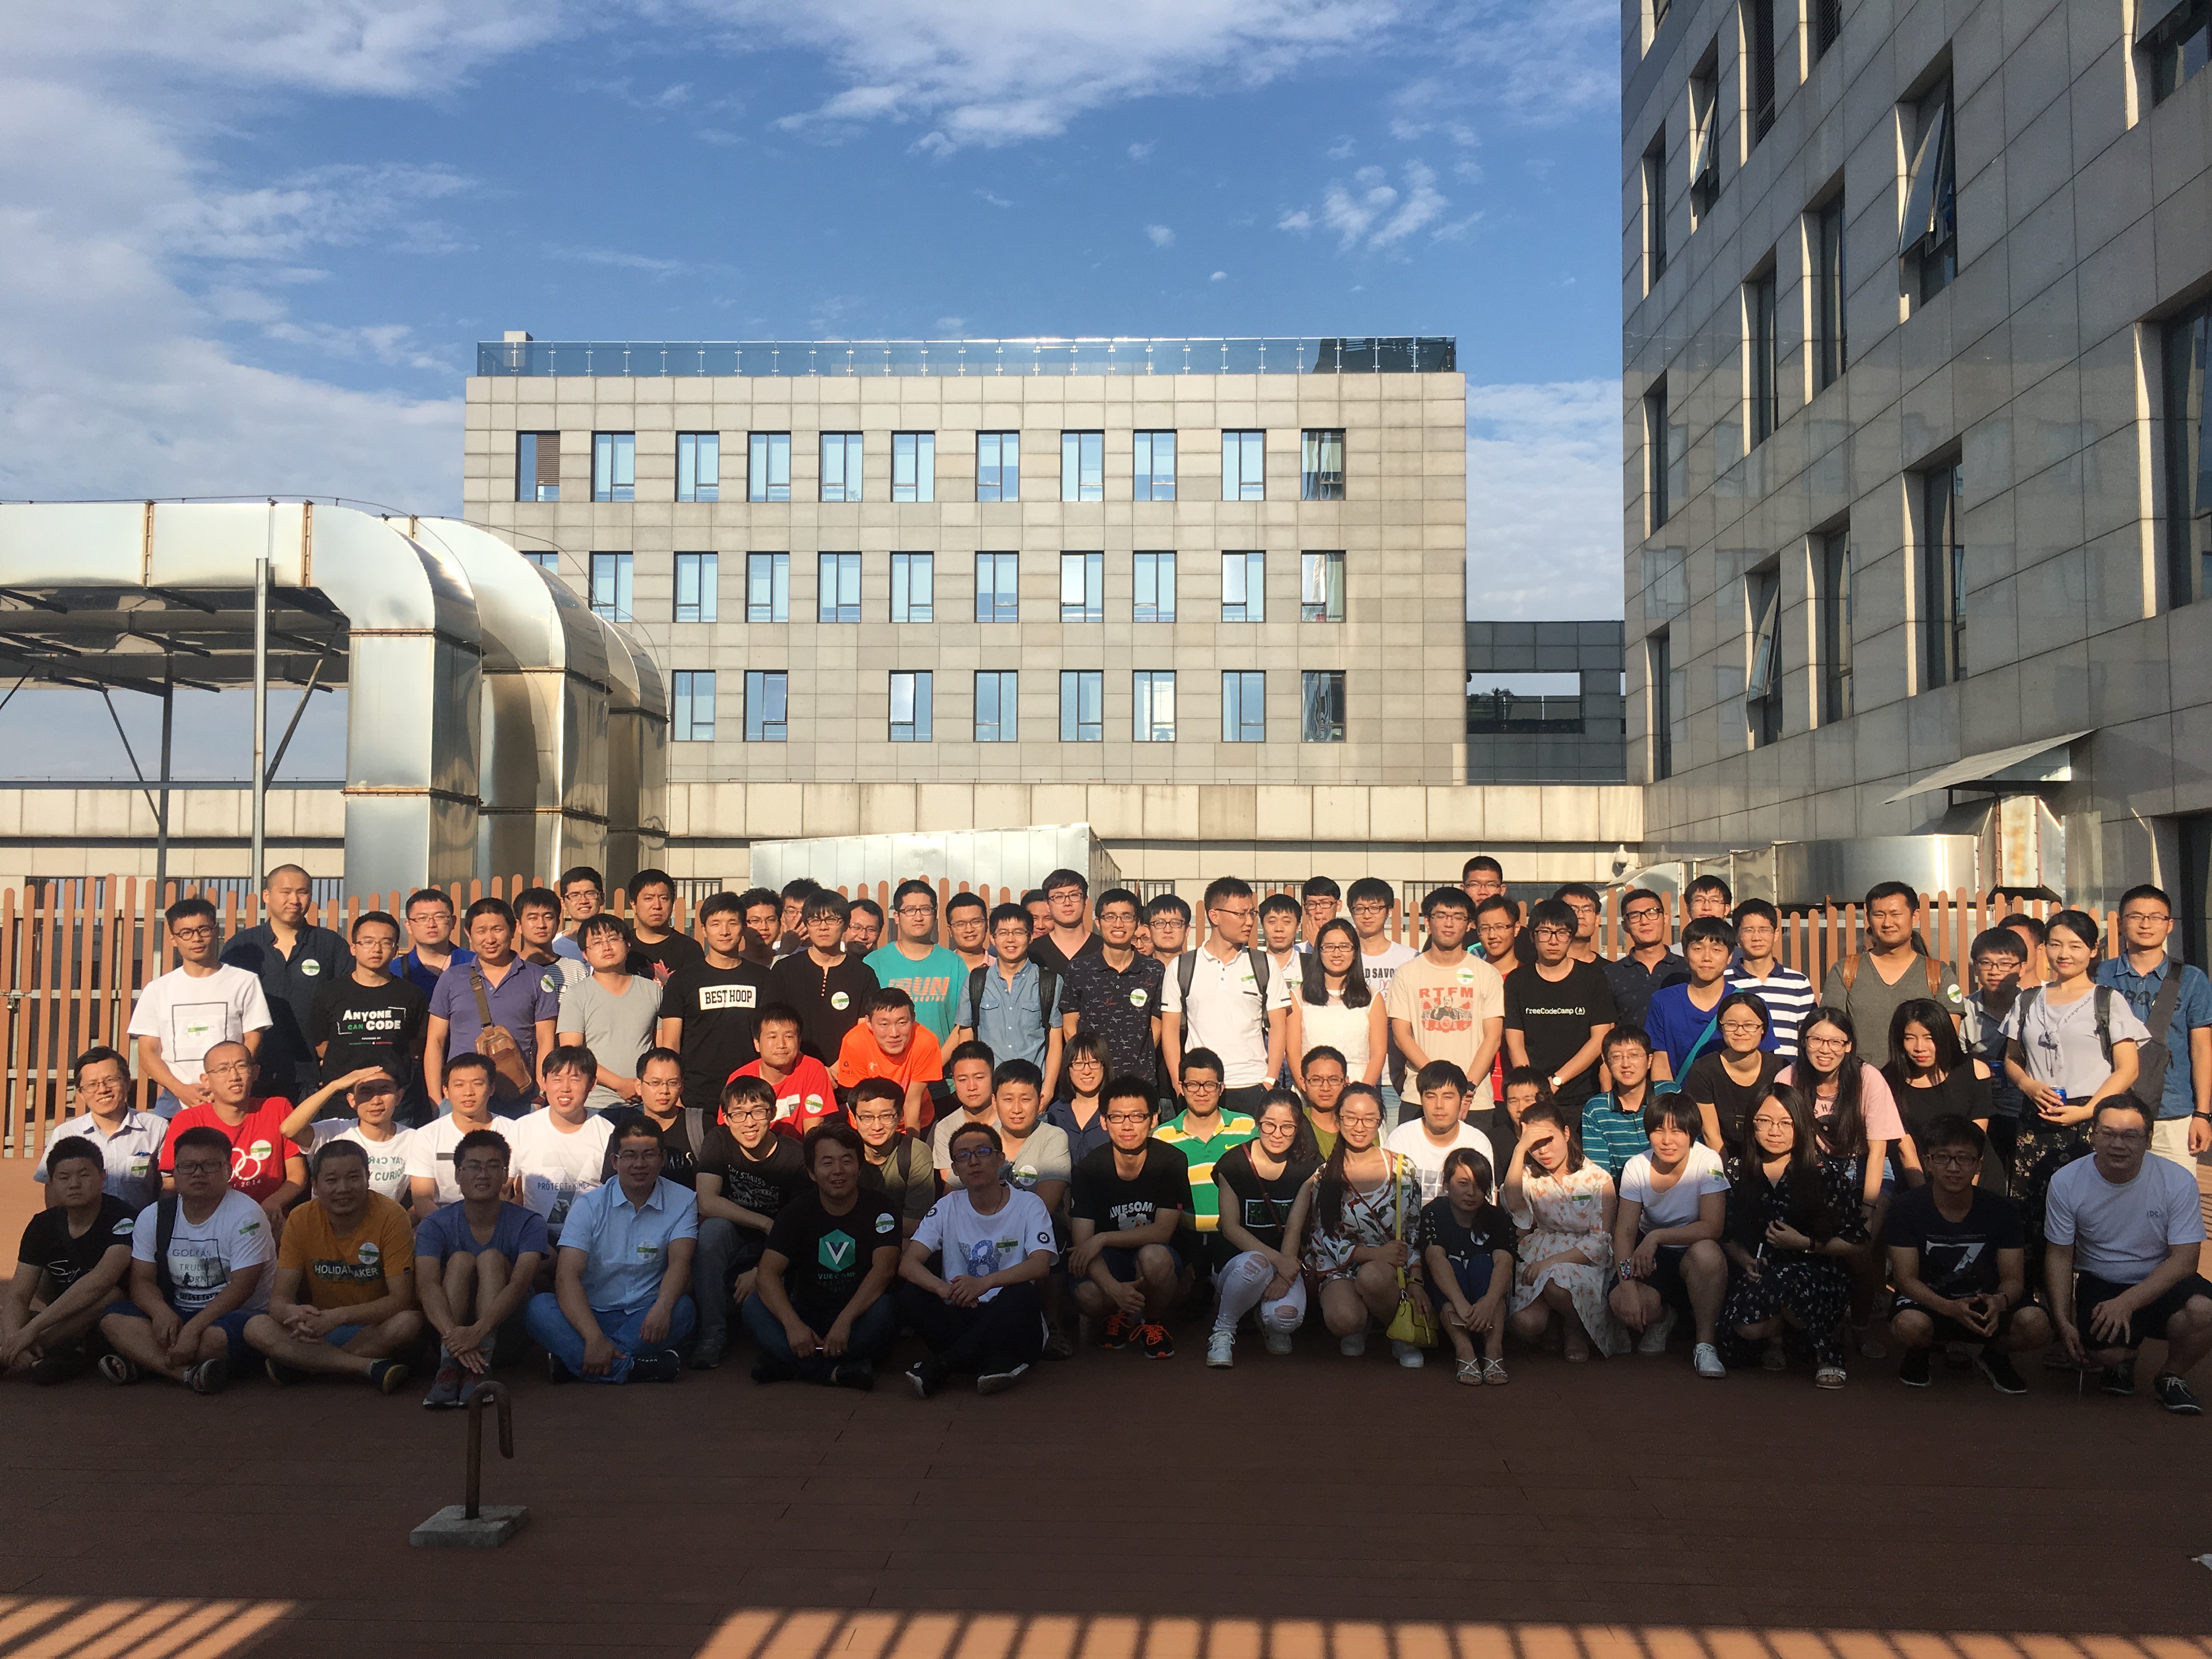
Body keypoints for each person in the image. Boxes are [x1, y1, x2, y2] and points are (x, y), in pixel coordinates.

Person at [2003, 909, 2148, 1280]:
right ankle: (2038, 1297)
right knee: (2034, 1207)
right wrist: (2029, 1086)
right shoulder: (2027, 1000)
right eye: (2055, 944)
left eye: (2075, 945)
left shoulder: (2108, 1000)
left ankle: (2095, 1290)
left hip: (2091, 1121)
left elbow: (2128, 1068)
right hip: (2037, 1118)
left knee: (2093, 1209)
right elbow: (2012, 1060)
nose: (2064, 954)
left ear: (2093, 950)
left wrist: (2089, 1112)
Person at [2044, 1097, 2212, 1412]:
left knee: (2205, 1310)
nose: (2118, 1144)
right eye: (2108, 1134)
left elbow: (2186, 1260)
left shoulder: (2177, 1180)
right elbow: (2059, 1255)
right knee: (2104, 1355)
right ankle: (2124, 1359)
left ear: (2149, 1139)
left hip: (2160, 1280)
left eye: (2130, 1135)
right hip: (2102, 1279)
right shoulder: (2066, 1182)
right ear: (2092, 1136)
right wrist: (2063, 1321)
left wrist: (2127, 1303)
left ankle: (2171, 1375)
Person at [98, 1124, 272, 1393]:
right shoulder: (153, 1216)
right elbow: (141, 1281)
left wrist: (193, 1330)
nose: (198, 1174)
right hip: (178, 1312)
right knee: (113, 1319)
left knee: (214, 1339)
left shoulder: (247, 1215)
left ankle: (145, 1362)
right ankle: (186, 1374)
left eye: (210, 1165)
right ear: (175, 1173)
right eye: (187, 1166)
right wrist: (160, 1313)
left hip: (233, 1315)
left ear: (229, 1170)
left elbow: (242, 1287)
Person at [527, 1114, 697, 1384]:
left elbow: (680, 1263)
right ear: (615, 1161)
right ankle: (632, 1367)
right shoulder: (588, 1206)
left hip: (645, 1315)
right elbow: (567, 1277)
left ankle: (578, 1363)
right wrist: (594, 1337)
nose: (639, 1164)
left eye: (649, 1155)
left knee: (683, 1309)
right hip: (589, 1315)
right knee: (539, 1308)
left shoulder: (684, 1201)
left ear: (662, 1159)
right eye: (630, 1155)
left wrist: (662, 1307)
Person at [1885, 1114, 2050, 1392]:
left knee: (2036, 1325)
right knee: (1909, 1325)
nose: (1953, 1168)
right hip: (1931, 1303)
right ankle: (1920, 1351)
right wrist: (1949, 1307)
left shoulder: (2003, 1210)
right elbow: (1906, 1279)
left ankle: (1995, 1354)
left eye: (1964, 1158)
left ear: (1978, 1165)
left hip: (1986, 1306)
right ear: (1927, 1162)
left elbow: (2014, 1279)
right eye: (1942, 1158)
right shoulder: (1905, 1208)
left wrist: (1999, 1301)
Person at [1719, 1085, 1865, 1385]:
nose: (1775, 1131)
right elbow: (1728, 1234)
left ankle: (1829, 1353)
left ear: (1802, 1125)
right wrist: (1745, 1261)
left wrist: (1805, 1244)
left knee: (1790, 1281)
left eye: (1786, 1123)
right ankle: (1779, 1336)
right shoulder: (1736, 1171)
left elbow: (1857, 1242)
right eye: (1764, 1121)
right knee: (1739, 1339)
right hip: (1760, 1272)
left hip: (1817, 1273)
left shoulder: (1824, 1173)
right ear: (1751, 1124)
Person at [242, 1140, 419, 1391]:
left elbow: (401, 1300)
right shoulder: (301, 1218)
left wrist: (338, 1316)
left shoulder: (392, 1216)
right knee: (256, 1327)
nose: (343, 1189)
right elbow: (279, 1301)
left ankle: (304, 1365)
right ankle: (363, 1366)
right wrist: (294, 1313)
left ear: (368, 1178)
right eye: (332, 1180)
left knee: (408, 1323)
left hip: (372, 1326)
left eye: (353, 1178)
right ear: (315, 1185)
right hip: (316, 1328)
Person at [899, 1122, 1056, 1397]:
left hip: (1008, 1315)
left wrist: (984, 1284)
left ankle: (945, 1363)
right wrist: (944, 1290)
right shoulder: (947, 1206)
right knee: (911, 1294)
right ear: (955, 1168)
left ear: (1000, 1159)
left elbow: (1040, 1264)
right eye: (963, 1156)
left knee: (1023, 1294)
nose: (973, 1161)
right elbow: (909, 1264)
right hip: (962, 1310)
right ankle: (992, 1362)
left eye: (982, 1152)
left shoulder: (1029, 1205)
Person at [1779, 1006, 1901, 1353]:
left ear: (1848, 1046)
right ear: (1803, 1042)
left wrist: (1868, 1206)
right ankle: (1813, 1325)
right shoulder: (1788, 1078)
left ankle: (1861, 1326)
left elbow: (1878, 1151)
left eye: (1836, 1042)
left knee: (1859, 1250)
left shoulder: (1868, 1078)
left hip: (1864, 1167)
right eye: (1816, 1040)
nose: (1825, 1049)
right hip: (1811, 1170)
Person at [743, 1122, 901, 1389]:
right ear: (812, 1172)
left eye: (847, 1161)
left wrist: (845, 1321)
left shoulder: (883, 1209)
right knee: (754, 1306)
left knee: (886, 1310)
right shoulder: (795, 1213)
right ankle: (835, 1373)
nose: (838, 1171)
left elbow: (884, 1271)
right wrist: (793, 1326)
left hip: (858, 1315)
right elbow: (767, 1273)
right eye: (827, 1163)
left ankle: (791, 1365)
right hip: (808, 1316)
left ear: (859, 1167)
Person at [414, 1127, 547, 1405]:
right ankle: (450, 1367)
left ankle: (479, 1369)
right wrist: (455, 1339)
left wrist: (477, 1333)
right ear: (457, 1175)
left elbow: (520, 1284)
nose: (483, 1174)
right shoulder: (434, 1224)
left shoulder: (530, 1222)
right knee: (460, 1260)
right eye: (473, 1166)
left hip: (507, 1334)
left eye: (493, 1166)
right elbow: (426, 1285)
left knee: (491, 1258)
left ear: (505, 1174)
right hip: (448, 1337)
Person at [1068, 1077, 1193, 1358]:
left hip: (1153, 1255)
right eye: (1117, 1117)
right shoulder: (1089, 1169)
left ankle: (1152, 1321)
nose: (1127, 1126)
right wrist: (1113, 1289)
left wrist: (1103, 1238)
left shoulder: (1171, 1161)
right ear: (1104, 1122)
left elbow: (1162, 1231)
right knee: (1087, 1295)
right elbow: (1082, 1245)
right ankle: (1116, 1316)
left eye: (1137, 1116)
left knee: (1155, 1258)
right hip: (1110, 1261)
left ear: (1154, 1120)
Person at [1299, 1083, 1423, 1363]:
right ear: (1338, 1119)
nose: (1359, 1127)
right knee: (1344, 1319)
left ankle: (1400, 1332)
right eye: (1350, 1118)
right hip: (1343, 1267)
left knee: (1372, 1277)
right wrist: (1371, 1254)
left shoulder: (1403, 1169)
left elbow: (1414, 1230)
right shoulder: (1324, 1176)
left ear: (1380, 1121)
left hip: (1389, 1270)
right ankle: (1362, 1320)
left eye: (1369, 1119)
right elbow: (1322, 1236)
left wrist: (1416, 1279)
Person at [1607, 1095, 1730, 1376]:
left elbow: (1713, 1227)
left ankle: (1706, 1345)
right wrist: (1628, 1288)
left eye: (1677, 1131)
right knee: (1619, 1301)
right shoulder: (1636, 1166)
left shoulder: (1708, 1160)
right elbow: (1624, 1233)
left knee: (1707, 1254)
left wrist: (1657, 1237)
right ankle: (1664, 1318)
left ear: (1692, 1133)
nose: (1667, 1141)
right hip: (1653, 1259)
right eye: (1658, 1130)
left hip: (1692, 1250)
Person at [2, 1136, 137, 1385]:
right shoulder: (42, 1224)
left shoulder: (124, 1217)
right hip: (61, 1310)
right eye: (64, 1178)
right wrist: (14, 1339)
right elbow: (19, 1293)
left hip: (115, 1316)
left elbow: (101, 1281)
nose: (74, 1184)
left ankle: (37, 1348)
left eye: (84, 1175)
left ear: (102, 1177)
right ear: (51, 1183)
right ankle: (24, 1353)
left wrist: (31, 1333)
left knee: (111, 1295)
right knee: (19, 1301)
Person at [2096, 883, 2212, 1171]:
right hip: (2110, 1110)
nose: (2146, 924)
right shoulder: (2099, 975)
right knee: (2113, 1192)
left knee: (2175, 1192)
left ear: (2170, 925)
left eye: (2156, 917)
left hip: (2174, 1111)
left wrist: (2202, 1114)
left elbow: (2201, 1048)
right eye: (2136, 916)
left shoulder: (2193, 980)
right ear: (2120, 923)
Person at [1502, 1097, 1624, 1359]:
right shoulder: (1529, 1175)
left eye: (1548, 1140)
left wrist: (1550, 1263)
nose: (1543, 1151)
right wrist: (1519, 1150)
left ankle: (1574, 1328)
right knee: (1525, 1324)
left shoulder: (1597, 1178)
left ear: (1567, 1133)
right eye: (1534, 1145)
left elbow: (1600, 1240)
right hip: (1541, 1248)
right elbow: (1513, 1203)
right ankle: (1553, 1323)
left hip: (1583, 1257)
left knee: (1557, 1282)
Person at [217, 864, 351, 1102]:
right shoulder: (242, 947)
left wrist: (335, 1055)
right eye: (286, 892)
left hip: (313, 1076)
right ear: (267, 896)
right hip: (253, 1074)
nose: (295, 900)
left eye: (302, 892)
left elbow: (347, 1004)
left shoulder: (331, 945)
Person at [128, 895, 272, 1117]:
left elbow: (253, 1038)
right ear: (173, 939)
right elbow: (148, 1052)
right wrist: (180, 1089)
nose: (196, 939)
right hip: (174, 1109)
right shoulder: (157, 990)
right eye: (186, 933)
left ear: (216, 931)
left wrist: (225, 1085)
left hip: (230, 1108)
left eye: (204, 930)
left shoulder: (244, 981)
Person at [1207, 1091, 1322, 1365]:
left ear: (1298, 1127)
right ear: (1257, 1122)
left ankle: (1265, 1318)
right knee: (1255, 1265)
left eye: (1287, 1127)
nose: (1277, 1134)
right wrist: (1280, 1262)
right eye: (1269, 1124)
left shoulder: (1307, 1165)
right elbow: (1231, 1228)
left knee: (1285, 1318)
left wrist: (1284, 1276)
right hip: (1236, 1260)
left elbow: (1294, 1227)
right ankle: (1223, 1330)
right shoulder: (1233, 1164)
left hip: (1285, 1258)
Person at [1159, 879, 1291, 1115]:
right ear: (1214, 916)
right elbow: (1169, 1030)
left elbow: (1279, 1026)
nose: (1249, 921)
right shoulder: (1181, 967)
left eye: (1252, 913)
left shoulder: (1265, 965)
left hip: (1252, 1084)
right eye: (1241, 914)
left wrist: (1269, 1080)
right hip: (1202, 1087)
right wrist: (1180, 1085)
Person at [424, 898, 561, 1116]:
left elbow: (546, 1040)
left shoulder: (537, 977)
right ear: (469, 934)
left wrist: (541, 1095)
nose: (490, 939)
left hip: (519, 1098)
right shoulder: (452, 978)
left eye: (497, 929)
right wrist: (436, 1100)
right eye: (481, 931)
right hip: (459, 1099)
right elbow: (435, 1041)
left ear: (513, 930)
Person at [157, 1041, 306, 1233]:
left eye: (241, 1066)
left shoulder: (277, 1108)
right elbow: (171, 1183)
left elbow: (298, 1176)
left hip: (268, 1221)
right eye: (223, 1069)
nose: (234, 1077)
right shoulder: (188, 1120)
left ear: (256, 1072)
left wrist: (272, 1204)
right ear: (206, 1080)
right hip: (208, 1223)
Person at [1386, 887, 1506, 1113]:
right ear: (1427, 921)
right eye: (1441, 915)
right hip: (1421, 1096)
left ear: (1469, 924)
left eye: (1458, 917)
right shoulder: (1406, 973)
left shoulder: (1487, 974)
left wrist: (1467, 1088)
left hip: (1474, 1100)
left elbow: (1492, 1037)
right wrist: (1438, 1084)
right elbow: (1401, 1036)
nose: (1449, 924)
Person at [1819, 882, 1964, 1068]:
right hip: (1861, 1080)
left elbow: (1948, 1040)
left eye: (1896, 915)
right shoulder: (1845, 971)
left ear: (1914, 917)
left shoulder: (1939, 974)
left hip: (1920, 1081)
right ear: (1869, 918)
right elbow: (1830, 1032)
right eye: (1879, 915)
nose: (1887, 923)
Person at [653, 890, 772, 1114]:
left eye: (732, 923)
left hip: (751, 1094)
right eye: (716, 924)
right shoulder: (683, 980)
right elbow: (671, 1044)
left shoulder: (764, 979)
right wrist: (674, 1091)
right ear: (704, 930)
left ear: (743, 927)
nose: (725, 931)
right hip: (696, 1096)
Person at [304, 909, 427, 1104]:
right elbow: (321, 1044)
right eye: (368, 942)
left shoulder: (411, 995)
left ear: (396, 949)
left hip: (395, 1100)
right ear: (353, 948)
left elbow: (415, 1046)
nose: (377, 949)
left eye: (386, 943)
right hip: (342, 1100)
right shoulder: (329, 993)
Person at [1417, 1146, 1517, 1385]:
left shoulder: (1497, 1217)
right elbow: (1435, 1258)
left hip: (1487, 1307)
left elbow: (1505, 1262)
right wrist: (1462, 1305)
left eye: (1479, 1185)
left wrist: (1489, 1302)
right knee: (1451, 1265)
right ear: (1447, 1184)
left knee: (1482, 1262)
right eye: (1463, 1184)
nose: (1471, 1193)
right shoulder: (1434, 1213)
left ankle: (1494, 1351)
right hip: (1452, 1305)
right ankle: (1465, 1351)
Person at [1503, 898, 1616, 1109]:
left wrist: (1557, 1080)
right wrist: (1532, 1087)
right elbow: (1515, 1041)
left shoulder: (1593, 978)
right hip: (1533, 1097)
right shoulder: (1518, 980)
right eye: (1545, 932)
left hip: (1583, 1095)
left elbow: (1600, 1038)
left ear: (1571, 936)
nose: (1553, 941)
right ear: (1532, 937)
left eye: (1562, 933)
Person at [1157, 1049, 1257, 1277]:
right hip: (1183, 1239)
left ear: (1222, 1088)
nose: (1201, 1092)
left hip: (1236, 1239)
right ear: (1182, 1088)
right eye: (1193, 1085)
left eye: (1209, 1085)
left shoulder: (1248, 1128)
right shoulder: (1162, 1137)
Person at [951, 902, 1065, 1094]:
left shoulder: (1050, 982)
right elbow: (966, 1036)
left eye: (1018, 932)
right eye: (1003, 933)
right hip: (990, 1092)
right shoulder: (976, 981)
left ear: (1030, 937)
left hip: (1033, 1090)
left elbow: (1055, 1041)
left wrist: (1047, 1092)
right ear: (993, 938)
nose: (1011, 939)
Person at [509, 1045, 614, 1246]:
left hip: (591, 1239)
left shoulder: (608, 1134)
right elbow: (504, 1186)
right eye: (557, 1079)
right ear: (544, 1082)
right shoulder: (522, 1128)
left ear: (592, 1084)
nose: (565, 1088)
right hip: (534, 1238)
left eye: (575, 1079)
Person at [1060, 887, 1165, 1087]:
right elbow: (1070, 1026)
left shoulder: (1153, 970)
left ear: (1137, 923)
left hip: (1139, 1081)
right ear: (1098, 923)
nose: (1118, 924)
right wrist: (1087, 1065)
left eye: (1126, 917)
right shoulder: (1080, 969)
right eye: (1110, 917)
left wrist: (1138, 1062)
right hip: (1092, 1081)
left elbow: (1157, 1025)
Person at [1883, 998, 1995, 1186]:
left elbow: (1978, 1141)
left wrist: (1966, 1194)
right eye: (1910, 1038)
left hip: (1975, 1180)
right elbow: (1906, 1150)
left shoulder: (1974, 1071)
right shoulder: (1889, 1080)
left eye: (1929, 1038)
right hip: (1919, 1181)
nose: (1920, 1048)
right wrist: (1926, 1197)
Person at [36, 1046, 165, 1209]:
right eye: (92, 1085)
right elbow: (52, 1188)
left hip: (139, 1223)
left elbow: (168, 1185)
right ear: (81, 1093)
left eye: (111, 1080)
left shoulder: (157, 1128)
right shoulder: (65, 1133)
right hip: (83, 1224)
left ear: (127, 1082)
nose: (103, 1090)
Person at [556, 914, 659, 1109]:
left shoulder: (652, 990)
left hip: (646, 1101)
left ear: (628, 944)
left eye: (613, 939)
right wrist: (619, 1085)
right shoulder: (576, 995)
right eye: (596, 943)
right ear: (585, 954)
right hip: (594, 1103)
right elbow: (572, 1053)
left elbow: (662, 1047)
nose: (606, 947)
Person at [768, 891, 879, 1065]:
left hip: (847, 1070)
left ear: (846, 924)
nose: (823, 927)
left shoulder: (863, 974)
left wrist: (838, 1068)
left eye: (832, 920)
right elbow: (772, 1023)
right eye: (815, 920)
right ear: (807, 925)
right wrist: (811, 1068)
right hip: (795, 1068)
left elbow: (866, 1030)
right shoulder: (785, 970)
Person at [278, 1066, 416, 1204]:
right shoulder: (334, 1131)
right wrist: (334, 1086)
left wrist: (401, 1218)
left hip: (384, 1218)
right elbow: (289, 1130)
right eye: (366, 1092)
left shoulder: (412, 1140)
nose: (376, 1101)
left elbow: (423, 1195)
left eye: (384, 1091)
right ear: (352, 1100)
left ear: (399, 1097)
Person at [403, 1053, 514, 1211]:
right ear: (446, 1091)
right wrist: (444, 1225)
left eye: (477, 1084)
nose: (468, 1092)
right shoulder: (427, 1136)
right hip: (442, 1219)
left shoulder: (513, 1131)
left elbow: (522, 1192)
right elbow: (422, 1198)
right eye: (459, 1085)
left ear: (491, 1089)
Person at [1346, 878, 1417, 1120]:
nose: (1367, 915)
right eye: (1360, 908)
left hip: (1395, 1077)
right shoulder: (1342, 957)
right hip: (1352, 1074)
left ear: (1389, 911)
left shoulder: (1409, 958)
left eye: (1375, 908)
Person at [1681, 991, 1788, 1153]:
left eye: (1750, 1025)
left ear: (1763, 1029)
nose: (1740, 1032)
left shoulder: (1781, 1069)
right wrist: (1725, 1167)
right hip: (1722, 1156)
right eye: (1731, 1025)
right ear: (1721, 1028)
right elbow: (1711, 1134)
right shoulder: (1704, 1070)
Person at [1644, 917, 1746, 1084]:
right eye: (1698, 949)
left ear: (1730, 957)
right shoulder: (1663, 1001)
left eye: (1716, 950)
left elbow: (1761, 1060)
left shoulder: (1747, 1004)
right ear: (1685, 954)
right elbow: (1661, 1062)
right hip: (1679, 1098)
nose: (1707, 957)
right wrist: (1668, 1097)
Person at [866, 881, 969, 1043]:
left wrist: (938, 1057)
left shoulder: (954, 964)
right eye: (910, 910)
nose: (919, 917)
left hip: (941, 1058)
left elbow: (963, 1024)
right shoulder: (874, 963)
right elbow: (866, 1023)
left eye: (926, 909)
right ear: (897, 917)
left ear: (935, 915)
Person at [1290, 918, 1386, 1090]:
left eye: (1344, 947)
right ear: (1319, 951)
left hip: (1358, 1088)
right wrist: (1307, 1090)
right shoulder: (1298, 996)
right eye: (1329, 947)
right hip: (1312, 1088)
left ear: (1355, 952)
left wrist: (1360, 1094)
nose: (1337, 954)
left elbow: (1378, 1054)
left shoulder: (1372, 998)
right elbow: (1293, 1052)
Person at [1963, 927, 2029, 1167]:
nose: (1994, 971)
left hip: (2030, 1110)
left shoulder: (2036, 1006)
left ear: (2022, 968)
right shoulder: (1964, 1011)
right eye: (1986, 963)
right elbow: (1955, 1063)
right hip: (1984, 1113)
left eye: (2005, 964)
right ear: (1976, 967)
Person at [836, 988, 945, 1131]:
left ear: (913, 1019)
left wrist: (911, 1142)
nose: (894, 1034)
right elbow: (863, 1101)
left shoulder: (926, 1042)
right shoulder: (855, 1042)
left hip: (916, 1122)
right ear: (869, 1022)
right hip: (869, 1125)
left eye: (902, 1023)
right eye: (884, 1024)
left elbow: (912, 1100)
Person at [1385, 1060, 1489, 1203]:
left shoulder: (1477, 1143)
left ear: (1462, 1099)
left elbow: (1484, 1200)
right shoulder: (1401, 1139)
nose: (1439, 1105)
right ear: (1421, 1098)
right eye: (1431, 1097)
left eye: (1448, 1097)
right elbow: (1391, 1199)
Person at [1724, 899, 1816, 1059]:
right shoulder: (1724, 981)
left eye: (1764, 930)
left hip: (1788, 1071)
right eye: (1748, 930)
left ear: (1776, 934)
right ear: (1737, 936)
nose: (1757, 937)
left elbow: (1810, 1035)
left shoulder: (1798, 983)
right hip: (1737, 1070)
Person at [732, 1003, 840, 1139]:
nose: (781, 1045)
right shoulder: (739, 1079)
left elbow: (813, 1133)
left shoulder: (813, 1069)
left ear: (799, 1041)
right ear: (757, 1044)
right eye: (773, 1037)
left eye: (789, 1037)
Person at [849, 1077, 936, 1239]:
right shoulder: (844, 1154)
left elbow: (915, 1222)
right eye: (867, 1118)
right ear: (854, 1118)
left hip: (898, 1239)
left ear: (900, 1116)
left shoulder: (915, 1153)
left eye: (886, 1116)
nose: (877, 1127)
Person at [1600, 887, 1688, 1039]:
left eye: (1652, 913)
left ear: (1665, 918)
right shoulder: (1610, 975)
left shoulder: (1687, 970)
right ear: (1625, 926)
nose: (1644, 921)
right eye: (1635, 916)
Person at [1581, 1028, 1660, 1180]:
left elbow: (1692, 1152)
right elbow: (1599, 1175)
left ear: (1649, 1060)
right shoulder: (1597, 1109)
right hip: (1621, 1189)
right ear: (1607, 1062)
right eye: (1616, 1057)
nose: (1626, 1064)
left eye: (1634, 1056)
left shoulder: (1669, 1094)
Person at [932, 1039, 1001, 1179]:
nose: (972, 1087)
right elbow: (951, 1183)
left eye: (979, 1077)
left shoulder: (1013, 1119)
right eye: (963, 1080)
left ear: (993, 1077)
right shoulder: (945, 1128)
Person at [625, 868, 706, 983]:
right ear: (633, 904)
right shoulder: (623, 946)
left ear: (672, 903)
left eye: (664, 898)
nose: (657, 906)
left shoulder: (689, 949)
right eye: (648, 899)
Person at [1045, 1031, 1113, 1164]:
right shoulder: (1056, 1113)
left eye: (1094, 1062)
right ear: (1068, 1068)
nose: (1087, 1071)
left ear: (1104, 1066)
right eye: (1078, 1063)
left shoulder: (1116, 1112)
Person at [393, 888, 471, 1001]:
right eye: (422, 918)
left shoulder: (474, 964)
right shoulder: (394, 971)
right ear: (408, 926)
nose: (431, 924)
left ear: (453, 922)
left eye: (440, 917)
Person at [1029, 867, 1103, 975]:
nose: (1067, 903)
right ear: (1047, 905)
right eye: (1059, 897)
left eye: (1074, 895)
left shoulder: (1103, 949)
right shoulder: (1033, 953)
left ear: (1085, 902)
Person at [515, 885, 588, 987]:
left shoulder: (576, 970)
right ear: (519, 926)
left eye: (548, 917)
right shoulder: (507, 969)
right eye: (533, 918)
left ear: (557, 923)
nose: (541, 925)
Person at [1300, 1046, 1348, 1156]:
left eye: (1334, 1080)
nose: (1325, 1088)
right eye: (1316, 1080)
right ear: (1303, 1083)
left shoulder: (1360, 1125)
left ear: (1345, 1082)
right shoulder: (1294, 1124)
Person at [554, 865, 606, 961]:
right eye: (575, 895)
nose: (583, 901)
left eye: (590, 894)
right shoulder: (555, 946)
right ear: (563, 903)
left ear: (602, 898)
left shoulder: (615, 943)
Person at [1553, 882, 1605, 964]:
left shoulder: (1610, 970)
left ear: (1598, 919)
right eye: (1573, 909)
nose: (1580, 916)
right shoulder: (1541, 968)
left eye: (1587, 910)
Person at [945, 890, 992, 974]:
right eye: (961, 924)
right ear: (950, 930)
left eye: (976, 922)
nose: (969, 930)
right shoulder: (941, 970)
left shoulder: (1001, 969)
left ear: (986, 925)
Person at [736, 886, 782, 968]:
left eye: (771, 920)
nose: (764, 927)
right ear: (742, 926)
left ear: (780, 925)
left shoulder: (790, 965)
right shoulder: (731, 965)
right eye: (755, 921)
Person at [2003, 912, 2051, 988]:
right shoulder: (1987, 994)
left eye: (2019, 945)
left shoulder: (2052, 993)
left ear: (2039, 950)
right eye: (2006, 946)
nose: (2011, 952)